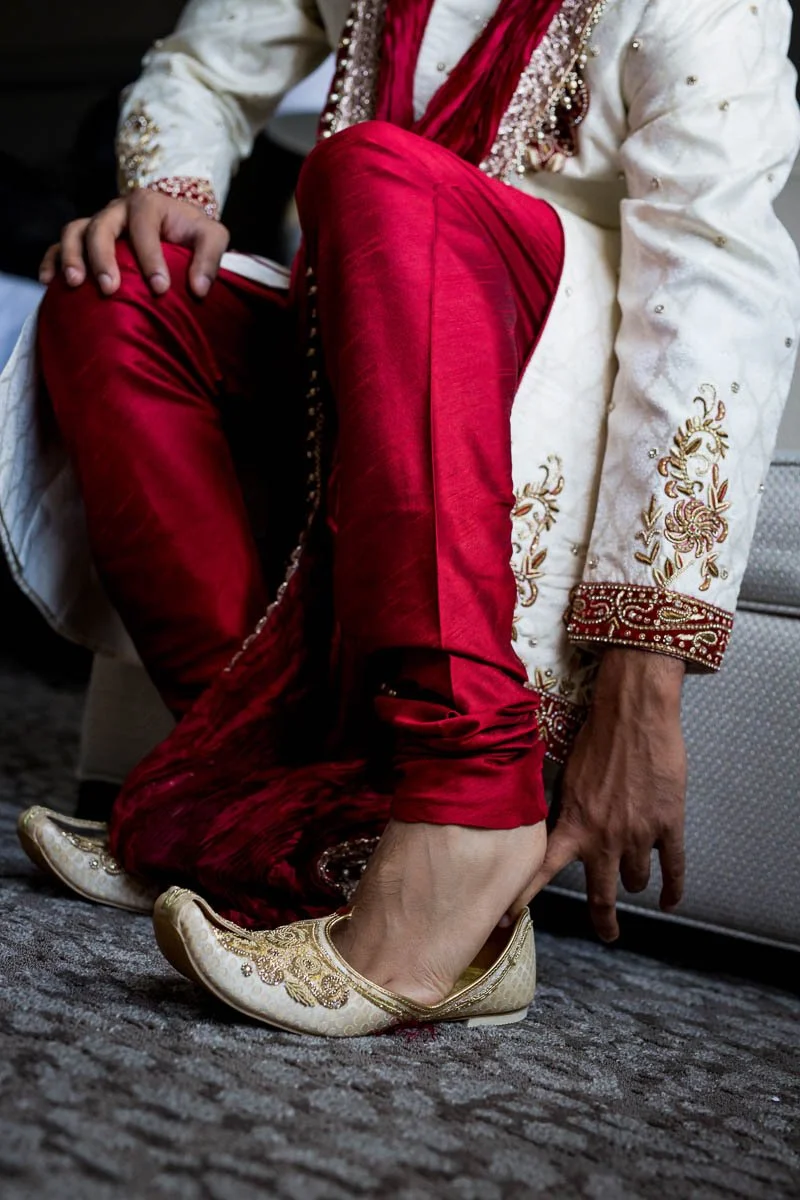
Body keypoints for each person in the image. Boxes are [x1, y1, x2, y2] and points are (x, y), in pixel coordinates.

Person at [6, 0, 799, 1035]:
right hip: (353, 323)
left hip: (551, 352)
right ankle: (262, 802)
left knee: (376, 170)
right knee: (113, 288)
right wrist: (167, 192)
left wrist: (642, 689)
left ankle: (467, 823)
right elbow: (201, 63)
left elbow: (714, 287)